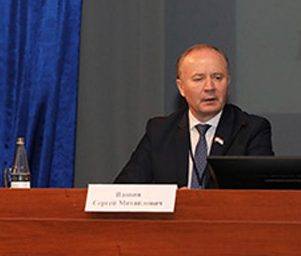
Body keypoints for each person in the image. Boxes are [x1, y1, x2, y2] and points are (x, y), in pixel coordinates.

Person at [115, 44, 273, 188]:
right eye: (199, 79)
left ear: (228, 83)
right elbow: (124, 189)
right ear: (181, 88)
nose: (209, 87)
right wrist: (174, 200)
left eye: (218, 78)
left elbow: (262, 194)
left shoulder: (251, 130)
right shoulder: (159, 131)